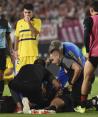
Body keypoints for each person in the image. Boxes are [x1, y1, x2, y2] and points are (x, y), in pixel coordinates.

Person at [47, 40, 95, 107]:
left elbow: (79, 68)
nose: (51, 58)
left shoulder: (68, 53)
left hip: (81, 72)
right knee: (66, 91)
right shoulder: (61, 61)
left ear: (58, 54)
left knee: (76, 100)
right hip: (74, 72)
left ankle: (91, 101)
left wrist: (72, 84)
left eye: (53, 55)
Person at [74, 1, 98, 113]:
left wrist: (87, 51)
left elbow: (86, 35)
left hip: (93, 53)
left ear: (91, 10)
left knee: (86, 78)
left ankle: (83, 106)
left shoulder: (89, 19)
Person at [14, 3, 42, 72]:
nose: (27, 14)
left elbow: (35, 33)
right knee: (19, 74)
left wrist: (28, 22)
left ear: (32, 12)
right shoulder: (19, 22)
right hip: (21, 54)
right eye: (25, 12)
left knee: (33, 74)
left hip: (33, 54)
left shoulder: (37, 21)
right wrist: (15, 50)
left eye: (29, 12)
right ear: (23, 13)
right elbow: (16, 37)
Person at [0, 4, 13, 97]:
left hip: (2, 50)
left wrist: (11, 50)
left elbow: (8, 37)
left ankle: (0, 95)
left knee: (1, 74)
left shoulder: (5, 22)